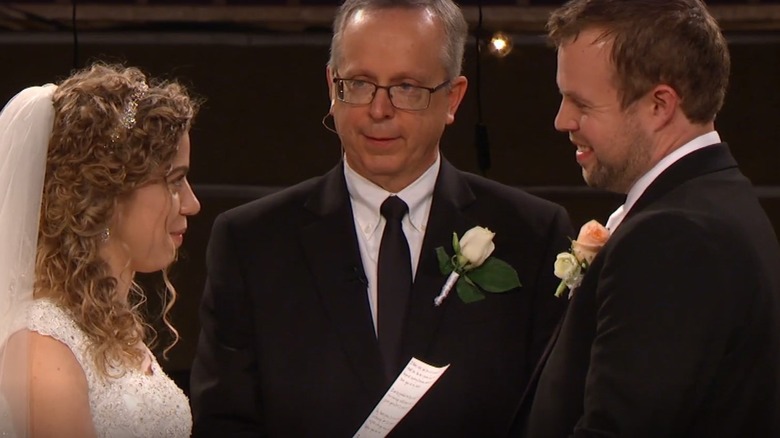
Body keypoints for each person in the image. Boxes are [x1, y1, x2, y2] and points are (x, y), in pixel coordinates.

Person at [189, 0, 573, 436]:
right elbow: (223, 421)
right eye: (359, 83)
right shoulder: (251, 242)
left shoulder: (533, 234)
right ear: (332, 86)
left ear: (454, 98)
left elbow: (550, 417)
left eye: (407, 87)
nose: (378, 109)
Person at [512, 0, 780, 436]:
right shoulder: (715, 202)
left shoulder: (675, 237)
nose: (562, 120)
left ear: (660, 105)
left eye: (581, 103)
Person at [0, 63, 201, 437]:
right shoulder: (43, 344)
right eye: (174, 181)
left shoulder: (110, 326)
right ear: (106, 195)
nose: (191, 203)